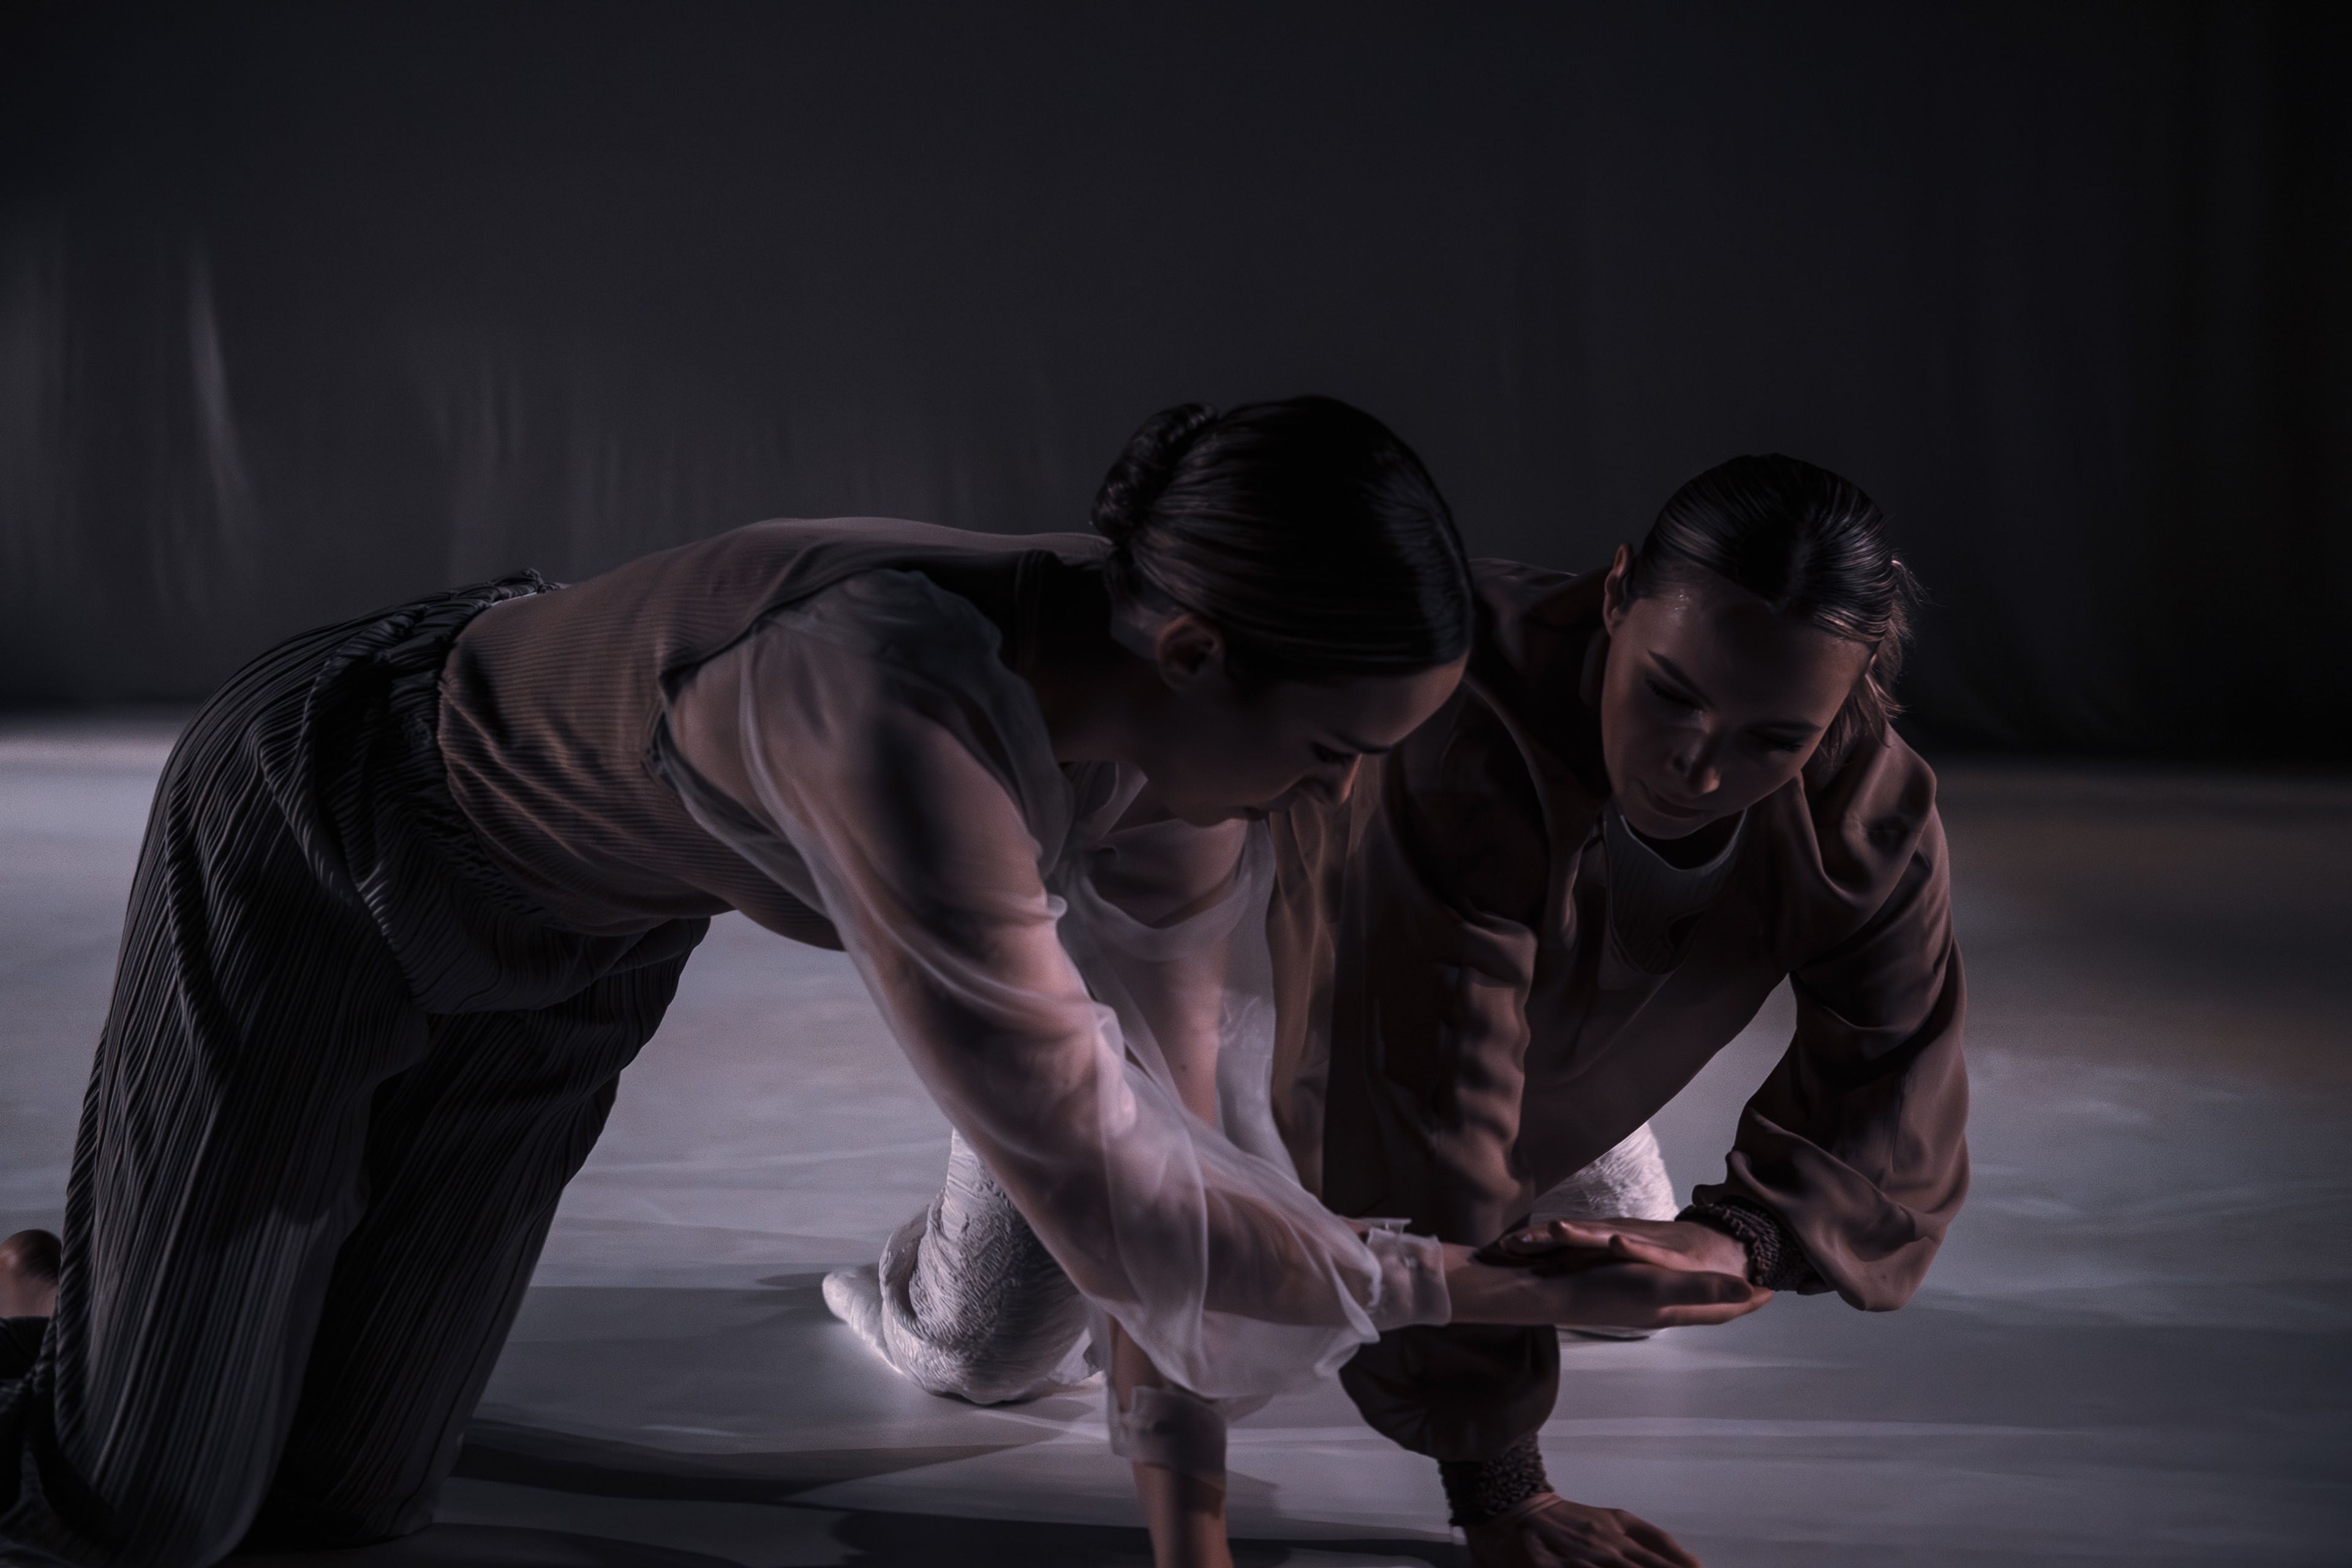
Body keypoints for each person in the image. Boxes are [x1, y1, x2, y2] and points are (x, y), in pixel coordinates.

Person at [0, 398, 1766, 1568]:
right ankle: (70, 1317)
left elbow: (1161, 1159)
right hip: (332, 838)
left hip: (586, 939)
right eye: (1325, 751)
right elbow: (1098, 1176)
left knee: (354, 1508)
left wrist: (1189, 1537)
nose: (1335, 802)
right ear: (1193, 651)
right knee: (149, 1524)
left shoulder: (1175, 757)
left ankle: (132, 1297)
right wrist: (1495, 1290)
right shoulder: (891, 715)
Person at [824, 454, 1967, 1568]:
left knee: (1638, 1296)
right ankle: (1008, 1157)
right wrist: (1500, 1485)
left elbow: (1895, 1064)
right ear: (1618, 592)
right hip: (1243, 985)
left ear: (1848, 698)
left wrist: (1735, 1241)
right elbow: (1421, 1099)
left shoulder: (1869, 802)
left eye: (1777, 738)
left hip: (1522, 1029)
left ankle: (1572, 1093)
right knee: (980, 1357)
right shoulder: (1469, 731)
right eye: (1671, 694)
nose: (1701, 769)